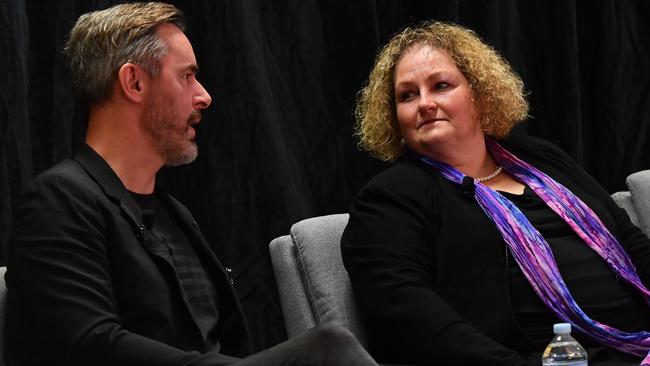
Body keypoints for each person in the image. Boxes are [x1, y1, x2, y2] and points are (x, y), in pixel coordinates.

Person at [5, 3, 378, 366]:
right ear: (134, 82)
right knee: (328, 347)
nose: (204, 95)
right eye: (186, 76)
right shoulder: (59, 200)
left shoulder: (175, 214)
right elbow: (88, 345)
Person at [341, 21, 650, 366]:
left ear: (479, 93)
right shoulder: (389, 199)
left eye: (440, 86)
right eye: (407, 95)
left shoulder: (542, 158)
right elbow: (410, 322)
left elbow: (629, 243)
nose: (425, 103)